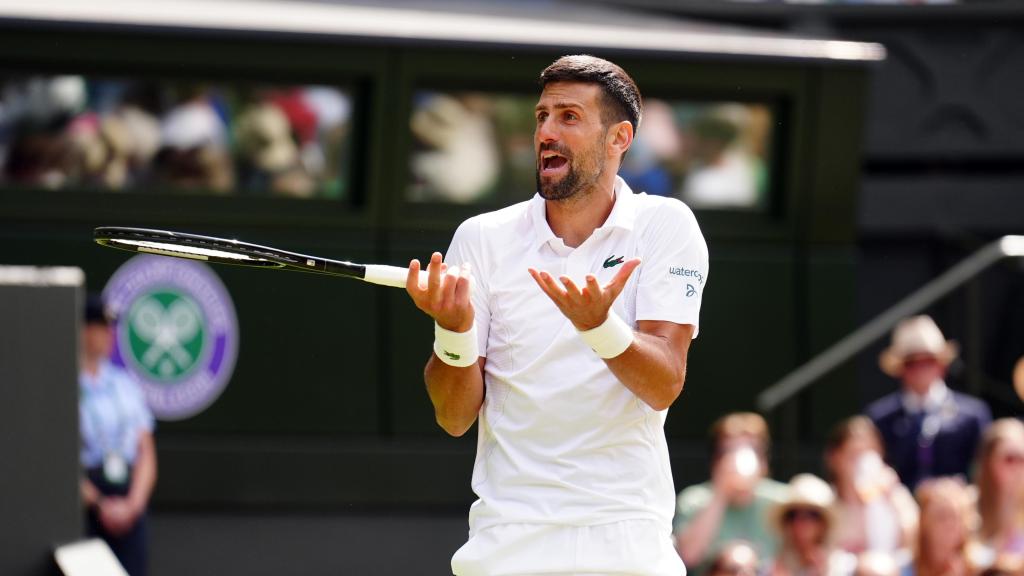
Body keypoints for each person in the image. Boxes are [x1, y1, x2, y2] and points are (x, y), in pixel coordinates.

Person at [403, 55, 709, 575]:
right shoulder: (480, 238)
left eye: (569, 116)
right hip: (507, 544)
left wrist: (599, 327)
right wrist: (452, 332)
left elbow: (664, 382)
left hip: (627, 543)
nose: (547, 131)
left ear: (619, 139)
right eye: (542, 116)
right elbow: (454, 418)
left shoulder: (666, 225)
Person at [79, 294, 157, 576]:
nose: (108, 334)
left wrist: (134, 504)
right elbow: (57, 458)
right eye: (101, 326)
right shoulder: (64, 386)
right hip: (86, 505)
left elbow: (146, 450)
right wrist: (99, 504)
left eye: (110, 327)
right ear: (84, 330)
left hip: (128, 500)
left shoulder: (125, 385)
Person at [866, 315, 991, 489]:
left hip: (959, 510)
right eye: (911, 363)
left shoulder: (973, 414)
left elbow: (983, 471)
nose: (921, 369)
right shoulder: (880, 418)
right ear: (900, 369)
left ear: (942, 364)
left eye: (928, 361)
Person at [675, 412, 789, 572]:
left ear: (764, 460)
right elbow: (688, 556)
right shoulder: (694, 500)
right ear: (716, 461)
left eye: (753, 450)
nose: (740, 459)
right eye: (729, 451)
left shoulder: (783, 502)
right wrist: (721, 493)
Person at [824, 416, 918, 557]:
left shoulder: (896, 495)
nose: (862, 464)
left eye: (868, 454)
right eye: (854, 455)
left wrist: (890, 501)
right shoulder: (823, 501)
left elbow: (912, 544)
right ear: (834, 458)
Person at [768, 474, 856, 576]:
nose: (799, 522)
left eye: (811, 514)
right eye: (792, 514)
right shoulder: (772, 568)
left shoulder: (847, 568)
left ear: (824, 523)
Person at [972, 419, 1024, 568]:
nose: (1018, 467)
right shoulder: (968, 507)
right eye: (1010, 459)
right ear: (989, 462)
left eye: (1023, 458)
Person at [907, 477, 976, 576]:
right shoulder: (902, 569)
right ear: (924, 523)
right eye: (941, 516)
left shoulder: (978, 568)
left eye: (954, 517)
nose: (949, 525)